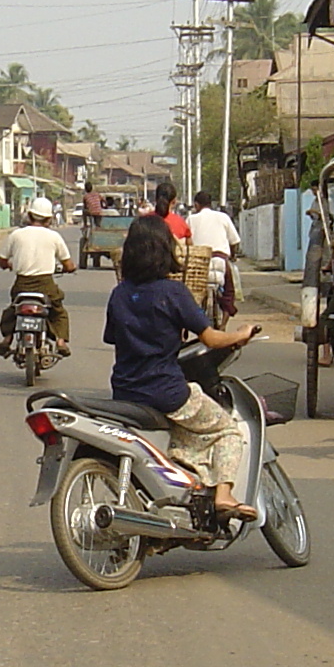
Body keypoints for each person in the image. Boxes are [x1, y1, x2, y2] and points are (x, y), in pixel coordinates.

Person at [108, 219, 259, 523]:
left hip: (125, 392)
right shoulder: (172, 292)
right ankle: (224, 495)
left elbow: (116, 339)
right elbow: (211, 338)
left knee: (185, 434)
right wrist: (240, 334)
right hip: (167, 391)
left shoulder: (119, 295)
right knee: (228, 430)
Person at [0, 197, 75, 355]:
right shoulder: (54, 237)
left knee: (13, 311)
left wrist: (10, 265)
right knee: (58, 311)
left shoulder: (16, 235)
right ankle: (60, 341)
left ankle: (7, 340)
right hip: (46, 286)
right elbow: (68, 264)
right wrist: (70, 269)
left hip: (21, 285)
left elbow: (2, 261)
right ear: (49, 218)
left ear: (30, 216)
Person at [185, 188, 242, 318]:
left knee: (193, 292)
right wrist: (232, 256)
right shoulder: (223, 217)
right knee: (228, 292)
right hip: (220, 259)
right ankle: (223, 324)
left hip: (199, 263)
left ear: (196, 205)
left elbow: (186, 242)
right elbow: (234, 241)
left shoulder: (191, 219)